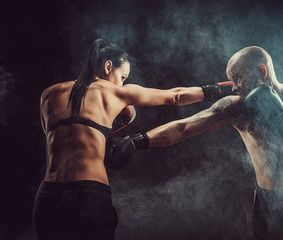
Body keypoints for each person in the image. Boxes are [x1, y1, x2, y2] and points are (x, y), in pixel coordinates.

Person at [115, 46, 283, 240]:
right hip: (265, 197)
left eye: (238, 78)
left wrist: (279, 121)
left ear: (262, 71)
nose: (234, 88)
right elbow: (185, 127)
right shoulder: (237, 106)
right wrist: (138, 141)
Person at [33, 39, 232, 240]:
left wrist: (105, 131)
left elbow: (58, 141)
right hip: (88, 196)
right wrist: (225, 88)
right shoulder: (116, 92)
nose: (122, 83)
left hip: (49, 197)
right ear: (108, 66)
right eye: (122, 76)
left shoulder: (48, 95)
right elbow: (176, 96)